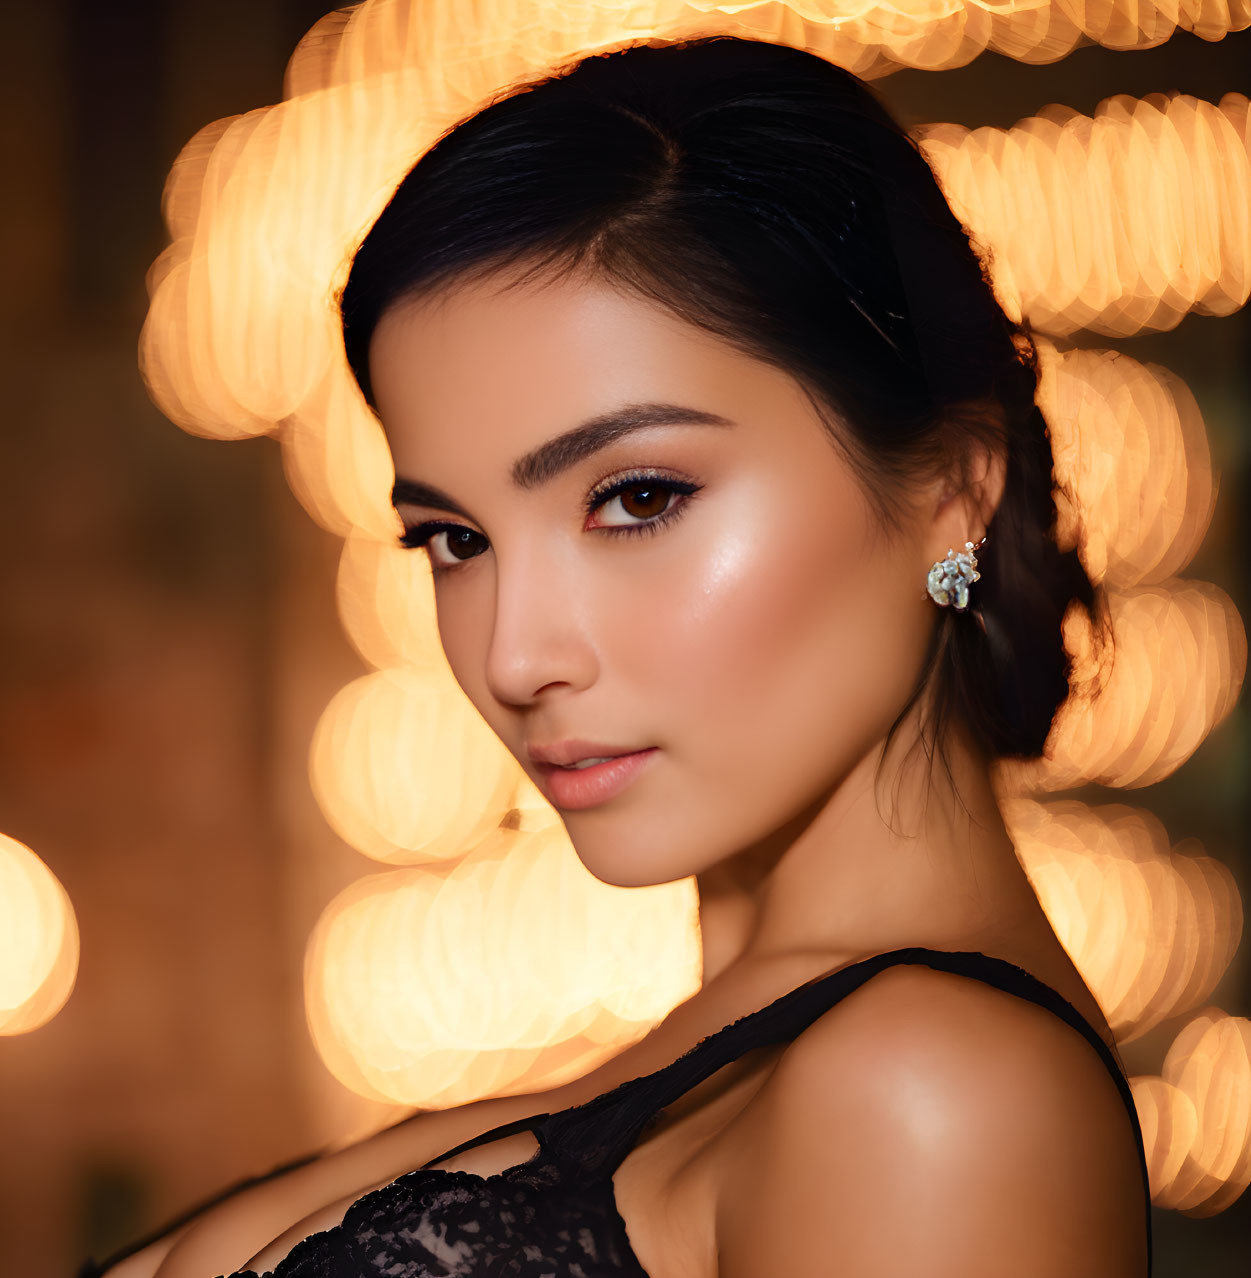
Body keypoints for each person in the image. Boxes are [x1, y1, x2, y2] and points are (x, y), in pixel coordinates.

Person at [84, 33, 1153, 1278]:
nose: (512, 655)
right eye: (453, 538)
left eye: (636, 499)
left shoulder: (935, 1099)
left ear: (951, 491)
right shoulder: (742, 1071)